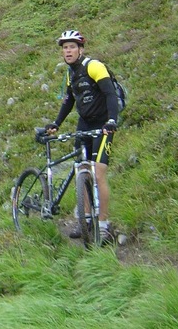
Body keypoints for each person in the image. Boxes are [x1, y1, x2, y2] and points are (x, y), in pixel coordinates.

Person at [44, 30, 119, 244]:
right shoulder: (71, 73)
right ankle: (85, 221)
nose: (68, 51)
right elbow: (69, 101)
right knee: (82, 170)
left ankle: (103, 225)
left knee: (99, 173)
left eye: (72, 47)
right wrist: (56, 123)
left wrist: (111, 121)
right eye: (65, 48)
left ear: (81, 49)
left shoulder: (94, 66)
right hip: (84, 124)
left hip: (103, 125)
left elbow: (110, 94)